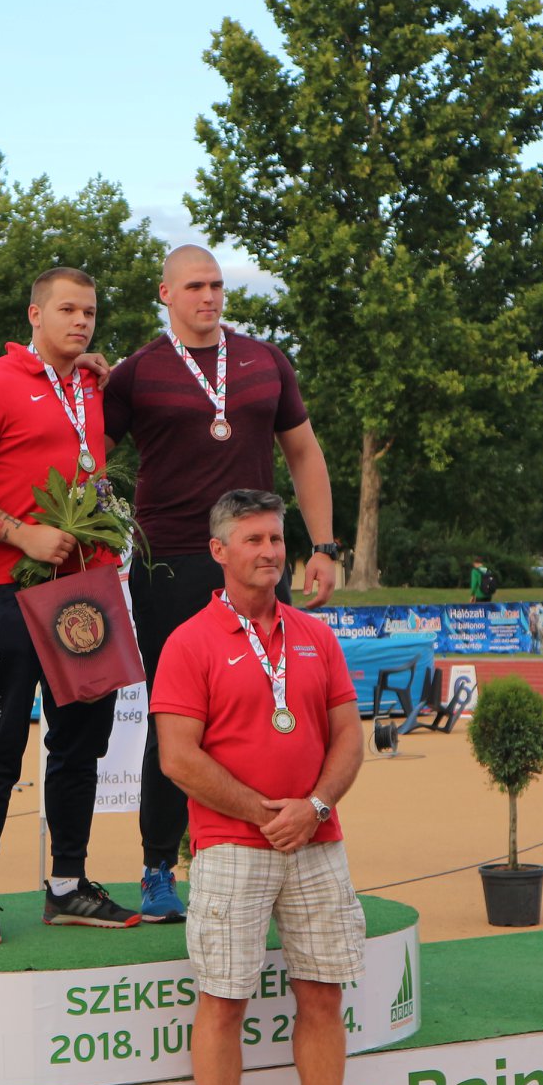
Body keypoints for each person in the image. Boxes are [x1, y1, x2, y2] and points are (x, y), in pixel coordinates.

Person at [152, 489, 383, 1085]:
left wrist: (314, 807)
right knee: (224, 1001)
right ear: (219, 551)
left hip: (318, 840)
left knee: (322, 994)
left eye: (277, 539)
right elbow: (177, 758)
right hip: (231, 844)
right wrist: (264, 814)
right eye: (253, 540)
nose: (270, 552)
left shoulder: (316, 636)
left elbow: (349, 738)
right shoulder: (189, 641)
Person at [102, 244, 343, 924]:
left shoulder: (265, 361)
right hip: (170, 562)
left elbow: (304, 453)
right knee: (175, 719)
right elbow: (85, 451)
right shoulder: (137, 373)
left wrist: (323, 546)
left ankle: (281, 845)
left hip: (256, 556)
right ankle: (158, 866)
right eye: (194, 287)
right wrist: (78, 376)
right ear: (165, 294)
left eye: (216, 284)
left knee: (275, 705)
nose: (208, 296)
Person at [0, 267, 140, 943]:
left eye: (89, 312)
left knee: (82, 744)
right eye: (67, 310)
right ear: (34, 314)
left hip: (87, 590)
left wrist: (96, 368)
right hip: (9, 588)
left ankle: (68, 885)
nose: (80, 321)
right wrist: (20, 533)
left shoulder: (92, 383)